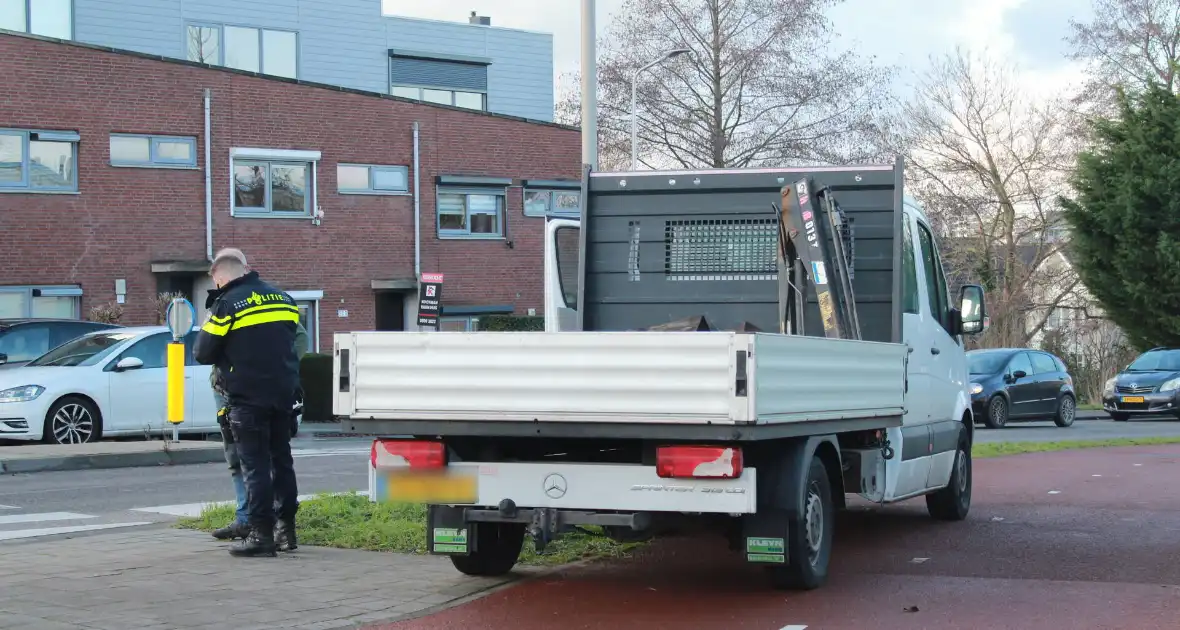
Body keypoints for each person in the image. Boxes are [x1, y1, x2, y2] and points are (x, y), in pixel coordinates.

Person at [195, 248, 302, 558]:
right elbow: (290, 341)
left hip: (247, 398)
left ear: (222, 278)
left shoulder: (227, 304)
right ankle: (287, 530)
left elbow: (202, 352)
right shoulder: (284, 299)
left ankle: (261, 535)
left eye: (216, 283)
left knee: (255, 467)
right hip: (283, 394)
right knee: (282, 463)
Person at [210, 298, 309, 543]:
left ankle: (266, 524)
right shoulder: (221, 304)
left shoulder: (263, 304)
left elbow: (300, 338)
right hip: (226, 390)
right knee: (236, 457)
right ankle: (246, 519)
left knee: (264, 460)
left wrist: (279, 367)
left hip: (255, 391)